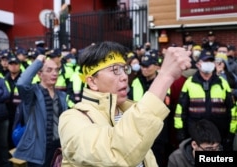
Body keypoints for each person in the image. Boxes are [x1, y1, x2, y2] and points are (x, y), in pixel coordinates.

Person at [58, 41, 191, 167]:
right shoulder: (72, 119)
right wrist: (164, 77)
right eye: (115, 70)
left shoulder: (129, 112)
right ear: (92, 82)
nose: (124, 77)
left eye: (124, 69)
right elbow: (116, 153)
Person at [13, 54, 69, 167]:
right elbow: (22, 83)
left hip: (57, 147)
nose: (55, 73)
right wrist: (38, 61)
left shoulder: (61, 95)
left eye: (56, 70)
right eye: (49, 70)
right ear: (39, 74)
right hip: (37, 149)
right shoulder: (32, 94)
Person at [174, 50, 236, 151]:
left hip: (219, 134)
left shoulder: (223, 83)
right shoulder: (189, 83)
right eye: (205, 61)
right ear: (198, 64)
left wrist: (231, 132)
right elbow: (180, 110)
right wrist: (180, 131)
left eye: (211, 61)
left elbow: (232, 110)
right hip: (196, 134)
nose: (209, 64)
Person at [4, 56, 22, 149]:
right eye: (11, 64)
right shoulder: (4, 79)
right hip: (7, 112)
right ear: (8, 66)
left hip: (21, 113)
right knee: (8, 135)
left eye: (16, 64)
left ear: (19, 65)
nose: (13, 66)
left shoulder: (24, 79)